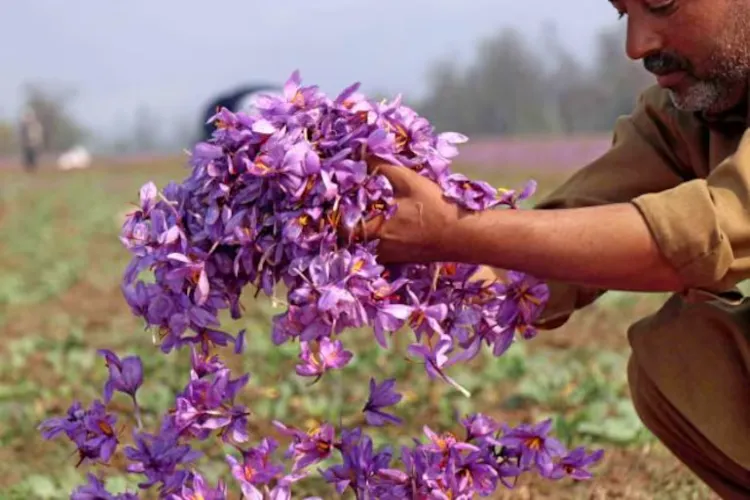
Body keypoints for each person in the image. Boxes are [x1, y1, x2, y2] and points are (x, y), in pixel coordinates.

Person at [361, 0, 750, 498]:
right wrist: (464, 273)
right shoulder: (691, 113)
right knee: (686, 353)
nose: (637, 46)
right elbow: (585, 214)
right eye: (621, 12)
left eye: (660, 3)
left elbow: (697, 234)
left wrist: (452, 230)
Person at [18, 107, 44, 172]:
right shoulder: (23, 126)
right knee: (27, 159)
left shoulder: (36, 125)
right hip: (26, 145)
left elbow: (38, 135)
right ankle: (28, 169)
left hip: (34, 145)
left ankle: (33, 169)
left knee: (33, 159)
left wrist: (36, 142)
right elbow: (22, 136)